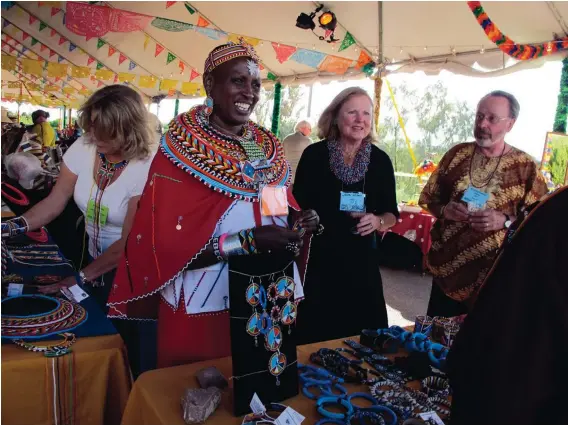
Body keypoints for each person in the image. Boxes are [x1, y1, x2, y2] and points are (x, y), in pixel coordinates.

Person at [107, 40, 320, 368]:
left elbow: (273, 210)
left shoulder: (261, 149)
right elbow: (162, 249)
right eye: (238, 81)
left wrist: (297, 224)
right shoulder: (179, 151)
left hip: (263, 298)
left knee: (258, 391)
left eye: (255, 84)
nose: (249, 92)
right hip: (201, 303)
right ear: (210, 84)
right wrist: (248, 242)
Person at [1, 85, 156, 309]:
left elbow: (129, 244)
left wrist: (81, 277)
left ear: (128, 131)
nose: (92, 137)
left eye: (103, 131)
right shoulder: (86, 145)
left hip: (133, 271)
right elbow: (55, 202)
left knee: (120, 334)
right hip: (94, 261)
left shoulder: (148, 165)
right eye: (91, 127)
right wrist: (10, 228)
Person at [419, 90, 548, 317]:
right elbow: (429, 198)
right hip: (447, 273)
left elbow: (539, 220)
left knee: (480, 345)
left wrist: (505, 221)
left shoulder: (525, 167)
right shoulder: (456, 155)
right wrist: (445, 210)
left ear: (510, 124)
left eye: (492, 119)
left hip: (494, 277)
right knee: (437, 343)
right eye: (479, 116)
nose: (482, 124)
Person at [447, 186, 568, 425]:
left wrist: (503, 221)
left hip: (525, 385)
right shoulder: (558, 203)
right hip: (461, 287)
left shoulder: (530, 173)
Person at [293, 87, 398, 344]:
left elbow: (391, 214)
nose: (360, 119)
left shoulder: (381, 161)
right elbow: (296, 206)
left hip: (361, 266)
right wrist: (305, 217)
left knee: (364, 342)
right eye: (352, 112)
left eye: (366, 113)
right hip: (319, 264)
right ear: (336, 117)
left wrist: (377, 221)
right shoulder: (314, 155)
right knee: (314, 340)